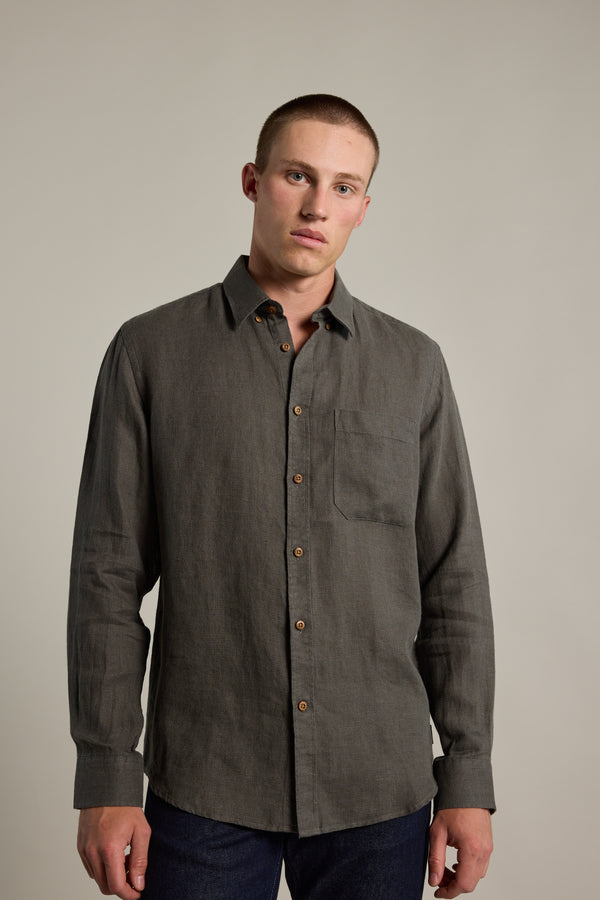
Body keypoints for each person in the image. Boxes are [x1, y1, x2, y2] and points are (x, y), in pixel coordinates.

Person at [68, 94, 495, 900]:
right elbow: (107, 573)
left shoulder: (414, 366)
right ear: (253, 181)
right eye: (298, 175)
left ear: (364, 207)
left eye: (343, 186)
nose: (316, 205)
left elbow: (454, 580)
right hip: (205, 785)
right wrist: (107, 773)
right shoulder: (149, 352)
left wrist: (466, 773)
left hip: (379, 790)